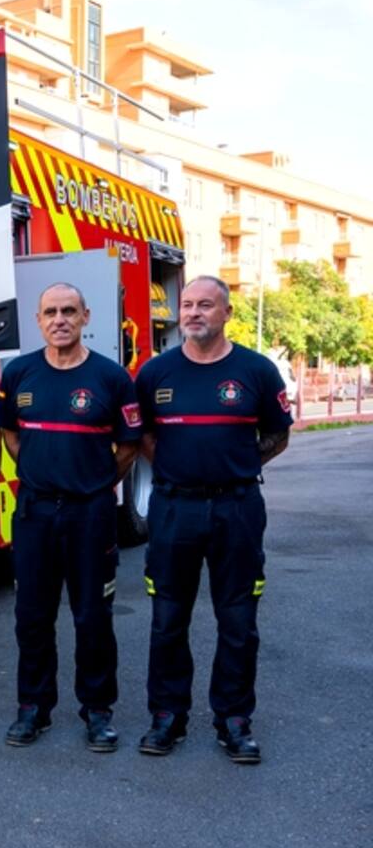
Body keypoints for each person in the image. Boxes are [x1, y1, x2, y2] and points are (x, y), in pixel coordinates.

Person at [136, 275, 292, 764]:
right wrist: (178, 471)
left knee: (239, 620)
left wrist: (235, 470)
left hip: (238, 509)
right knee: (167, 619)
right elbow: (142, 436)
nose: (194, 313)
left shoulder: (256, 371)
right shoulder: (155, 373)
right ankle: (167, 716)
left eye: (206, 305)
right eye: (187, 305)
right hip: (173, 508)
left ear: (226, 313)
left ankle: (234, 719)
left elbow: (278, 435)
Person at [0, 283, 141, 752]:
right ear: (38, 320)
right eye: (50, 312)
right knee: (31, 616)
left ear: (85, 317)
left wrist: (96, 483)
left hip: (90, 514)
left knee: (92, 616)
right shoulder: (19, 374)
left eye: (69, 311)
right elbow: (9, 436)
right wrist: (40, 474)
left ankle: (97, 711)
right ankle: (33, 709)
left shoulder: (111, 378)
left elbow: (130, 445)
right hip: (35, 513)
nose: (59, 319)